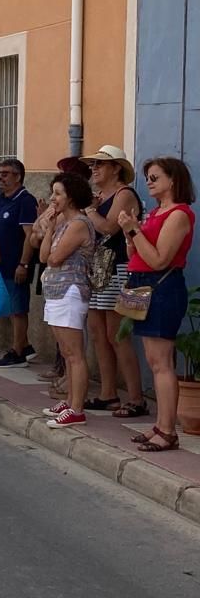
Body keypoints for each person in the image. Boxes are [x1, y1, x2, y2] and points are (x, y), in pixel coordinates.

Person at [118, 157, 195, 452]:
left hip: (161, 287)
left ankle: (167, 430)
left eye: (154, 177)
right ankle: (160, 425)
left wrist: (135, 230)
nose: (148, 182)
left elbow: (160, 259)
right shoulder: (155, 213)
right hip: (141, 284)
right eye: (147, 177)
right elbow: (135, 253)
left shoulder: (179, 214)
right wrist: (130, 232)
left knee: (162, 363)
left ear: (173, 180)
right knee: (153, 360)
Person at [80, 146, 147, 416]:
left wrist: (89, 211)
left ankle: (136, 397)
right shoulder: (101, 197)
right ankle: (108, 393)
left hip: (120, 268)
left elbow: (109, 227)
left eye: (100, 164)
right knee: (98, 333)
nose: (94, 169)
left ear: (116, 168)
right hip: (99, 269)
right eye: (92, 165)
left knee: (117, 334)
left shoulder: (125, 194)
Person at [38, 173, 96, 428]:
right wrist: (50, 227)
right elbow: (42, 255)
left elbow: (54, 258)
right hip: (55, 291)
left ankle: (77, 408)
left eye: (58, 193)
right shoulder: (62, 222)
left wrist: (52, 243)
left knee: (75, 353)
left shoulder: (79, 223)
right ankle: (70, 399)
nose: (53, 198)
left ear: (71, 196)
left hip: (71, 290)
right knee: (65, 351)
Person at [0, 159, 42, 368]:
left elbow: (29, 236)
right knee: (10, 308)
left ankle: (17, 352)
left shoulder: (25, 201)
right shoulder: (1, 199)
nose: (0, 177)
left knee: (18, 309)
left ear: (18, 176)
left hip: (16, 265)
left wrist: (24, 264)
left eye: (6, 173)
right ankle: (25, 345)